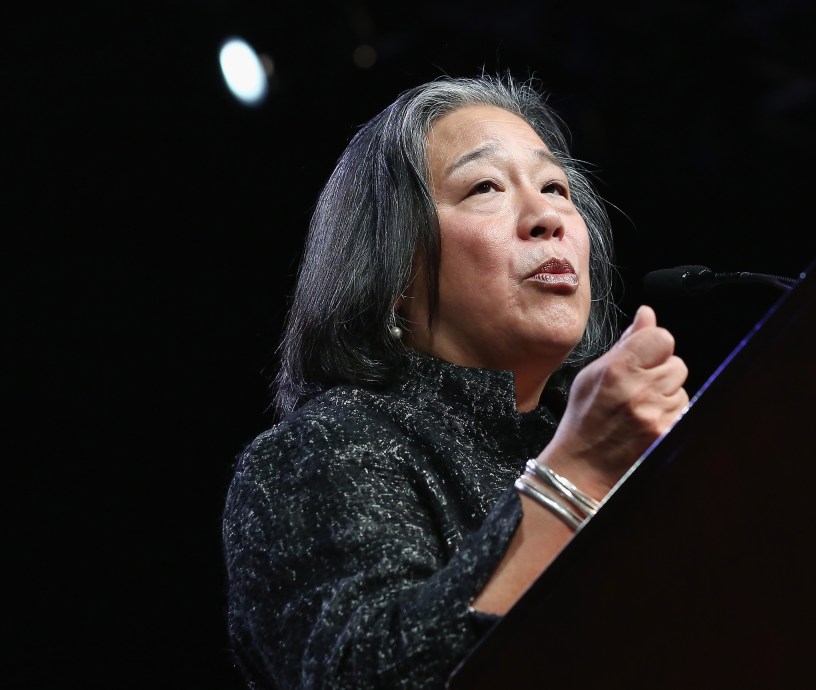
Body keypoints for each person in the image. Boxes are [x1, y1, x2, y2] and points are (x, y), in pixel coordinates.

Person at [222, 70, 690, 690]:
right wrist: (577, 471)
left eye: (555, 186)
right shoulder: (323, 451)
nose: (547, 216)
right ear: (392, 268)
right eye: (485, 187)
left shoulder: (629, 455)